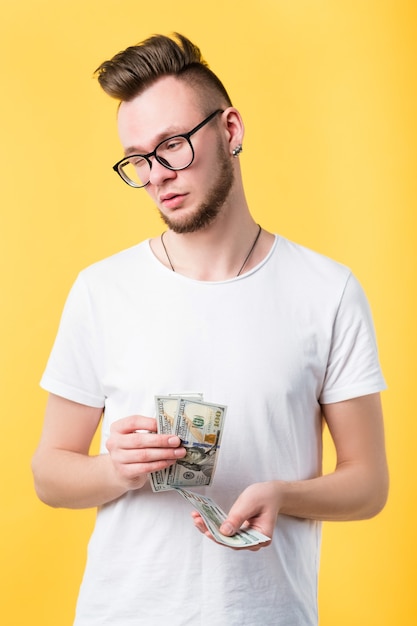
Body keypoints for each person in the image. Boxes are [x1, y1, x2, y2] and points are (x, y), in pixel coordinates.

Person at [32, 33, 389, 626]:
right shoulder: (102, 289)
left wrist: (285, 495)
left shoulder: (328, 291)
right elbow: (50, 471)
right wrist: (113, 469)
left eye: (172, 145)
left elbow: (369, 484)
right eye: (138, 158)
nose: (156, 175)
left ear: (230, 129)